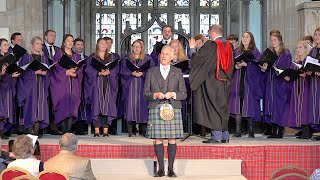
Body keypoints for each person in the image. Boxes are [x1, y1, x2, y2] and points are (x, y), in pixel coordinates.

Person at [144, 45, 187, 177]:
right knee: (158, 139)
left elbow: (183, 94)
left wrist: (173, 94)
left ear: (172, 57)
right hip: (156, 107)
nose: (163, 56)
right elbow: (146, 93)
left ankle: (171, 169)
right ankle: (161, 169)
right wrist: (154, 95)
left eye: (167, 54)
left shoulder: (178, 72)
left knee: (172, 139)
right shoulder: (151, 72)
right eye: (162, 53)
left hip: (173, 107)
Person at [189, 24, 234, 144]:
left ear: (212, 32)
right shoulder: (229, 45)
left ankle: (217, 136)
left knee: (213, 108)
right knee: (223, 108)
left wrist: (192, 48)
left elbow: (197, 59)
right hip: (225, 82)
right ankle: (225, 136)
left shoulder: (212, 44)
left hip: (212, 82)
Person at [229, 31, 262, 138]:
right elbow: (230, 65)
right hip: (238, 81)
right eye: (243, 36)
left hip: (249, 82)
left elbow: (258, 67)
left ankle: (251, 130)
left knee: (249, 105)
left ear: (251, 39)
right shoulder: (236, 51)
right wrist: (236, 67)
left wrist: (247, 65)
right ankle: (238, 130)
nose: (244, 38)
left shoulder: (255, 52)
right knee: (238, 105)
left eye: (247, 37)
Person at [260, 32, 292, 139]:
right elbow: (267, 69)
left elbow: (287, 68)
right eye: (271, 40)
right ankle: (273, 130)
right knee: (271, 106)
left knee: (279, 106)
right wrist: (264, 68)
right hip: (271, 83)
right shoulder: (270, 53)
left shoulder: (285, 54)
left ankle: (280, 131)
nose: (273, 42)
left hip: (281, 83)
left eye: (275, 40)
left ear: (280, 41)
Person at [85, 38, 119, 137]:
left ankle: (105, 131)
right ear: (97, 45)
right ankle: (96, 130)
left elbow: (116, 70)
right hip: (96, 84)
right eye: (101, 43)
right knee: (97, 106)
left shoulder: (112, 58)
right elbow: (88, 70)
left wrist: (110, 72)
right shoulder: (92, 57)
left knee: (107, 107)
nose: (104, 45)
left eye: (105, 43)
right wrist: (98, 73)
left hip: (108, 83)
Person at [120, 40, 154, 137]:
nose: (136, 48)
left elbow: (152, 72)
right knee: (131, 106)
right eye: (134, 46)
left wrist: (143, 73)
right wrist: (131, 73)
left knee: (142, 106)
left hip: (143, 85)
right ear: (132, 47)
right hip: (131, 85)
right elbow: (122, 71)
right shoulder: (127, 59)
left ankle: (143, 129)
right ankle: (131, 129)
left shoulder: (148, 59)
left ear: (142, 48)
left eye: (138, 46)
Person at [17, 36, 50, 136]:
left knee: (40, 109)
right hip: (30, 88)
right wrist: (35, 72)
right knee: (30, 108)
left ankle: (36, 131)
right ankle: (30, 130)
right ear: (32, 45)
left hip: (41, 87)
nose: (39, 46)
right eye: (37, 44)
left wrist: (45, 73)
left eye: (41, 44)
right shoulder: (27, 57)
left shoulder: (44, 58)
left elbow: (49, 71)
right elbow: (22, 72)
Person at [50, 34, 83, 134]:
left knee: (72, 106)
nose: (70, 42)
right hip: (61, 85)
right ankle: (64, 130)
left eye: (72, 41)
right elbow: (54, 69)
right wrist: (65, 73)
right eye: (68, 40)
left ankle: (68, 131)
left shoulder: (76, 56)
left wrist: (75, 73)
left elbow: (80, 69)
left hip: (73, 85)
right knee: (63, 107)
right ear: (64, 42)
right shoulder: (58, 54)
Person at [286, 41, 311, 139]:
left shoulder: (308, 61)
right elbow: (291, 74)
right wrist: (288, 77)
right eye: (297, 48)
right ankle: (302, 130)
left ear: (305, 49)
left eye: (300, 47)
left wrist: (305, 74)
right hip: (296, 87)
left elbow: (311, 73)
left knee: (305, 109)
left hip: (305, 86)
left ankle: (307, 131)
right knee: (298, 108)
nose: (298, 49)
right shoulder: (295, 63)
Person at [0, 38, 20, 139]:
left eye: (8, 45)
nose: (7, 47)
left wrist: (12, 74)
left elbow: (9, 72)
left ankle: (5, 131)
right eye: (4, 45)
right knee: (2, 108)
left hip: (8, 86)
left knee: (8, 107)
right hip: (1, 88)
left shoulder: (9, 58)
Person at [73, 38, 88, 135]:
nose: (80, 46)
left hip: (86, 83)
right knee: (76, 105)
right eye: (78, 44)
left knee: (84, 106)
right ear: (74, 46)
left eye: (81, 44)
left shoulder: (87, 57)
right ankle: (76, 128)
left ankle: (83, 126)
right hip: (75, 82)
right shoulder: (72, 57)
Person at [308, 27, 320, 141]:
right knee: (316, 107)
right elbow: (310, 63)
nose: (316, 37)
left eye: (319, 34)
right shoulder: (313, 51)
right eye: (315, 34)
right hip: (315, 82)